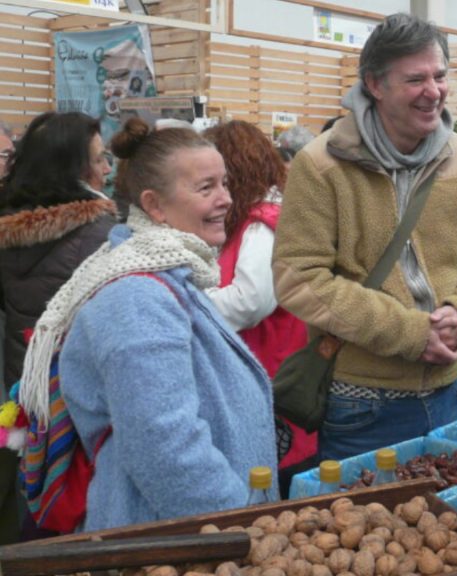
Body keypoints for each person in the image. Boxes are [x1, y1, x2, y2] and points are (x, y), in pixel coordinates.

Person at [17, 117, 277, 531]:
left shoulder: (171, 272)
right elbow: (164, 448)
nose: (226, 199)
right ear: (154, 205)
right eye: (206, 187)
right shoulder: (136, 297)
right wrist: (237, 523)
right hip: (171, 539)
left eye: (224, 183)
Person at [273, 13, 457, 461]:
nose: (433, 91)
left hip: (450, 390)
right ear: (374, 85)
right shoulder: (322, 165)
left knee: (448, 521)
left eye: (440, 76)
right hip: (362, 402)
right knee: (365, 524)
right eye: (415, 79)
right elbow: (299, 278)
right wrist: (411, 333)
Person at [0, 112, 116, 542]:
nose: (107, 169)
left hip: (24, 382)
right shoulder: (101, 233)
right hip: (78, 388)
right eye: (101, 159)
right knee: (75, 497)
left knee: (31, 476)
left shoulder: (6, 223)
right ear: (74, 167)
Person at [203, 120, 314, 496]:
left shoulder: (262, 224)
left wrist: (186, 301)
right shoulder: (259, 218)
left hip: (273, 370)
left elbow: (250, 302)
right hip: (266, 369)